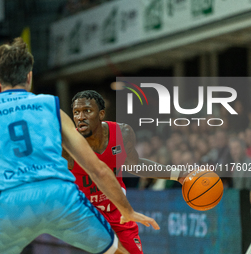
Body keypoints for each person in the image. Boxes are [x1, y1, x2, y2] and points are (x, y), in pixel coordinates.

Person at [0, 38, 159, 254]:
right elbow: (97, 168)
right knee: (117, 251)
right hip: (60, 198)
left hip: (10, 202)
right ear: (29, 77)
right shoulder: (51, 108)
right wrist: (127, 210)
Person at [63, 90, 185, 254]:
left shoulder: (122, 133)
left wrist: (178, 175)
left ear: (101, 114)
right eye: (76, 112)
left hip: (119, 210)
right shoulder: (68, 145)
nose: (80, 117)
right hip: (87, 215)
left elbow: (135, 165)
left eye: (87, 111)